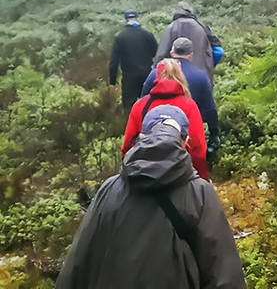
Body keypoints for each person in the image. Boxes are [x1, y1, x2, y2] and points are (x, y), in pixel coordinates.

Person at [55, 105, 246, 289]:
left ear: (142, 137)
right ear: (185, 141)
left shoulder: (109, 189)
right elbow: (223, 276)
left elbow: (78, 264)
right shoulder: (200, 194)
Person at [122, 58, 208, 179]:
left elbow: (128, 145)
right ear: (180, 76)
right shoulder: (189, 105)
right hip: (179, 174)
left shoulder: (141, 105)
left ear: (156, 76)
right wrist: (201, 177)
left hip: (145, 175)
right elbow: (197, 147)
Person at [143, 37, 220, 154]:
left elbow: (143, 104)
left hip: (156, 134)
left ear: (172, 53)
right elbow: (210, 108)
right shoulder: (201, 76)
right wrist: (214, 134)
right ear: (191, 54)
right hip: (189, 135)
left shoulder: (155, 74)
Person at [155, 2, 223, 83]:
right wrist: (210, 65)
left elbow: (161, 54)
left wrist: (155, 72)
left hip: (174, 76)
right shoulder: (202, 27)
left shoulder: (170, 28)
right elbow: (219, 51)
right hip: (200, 76)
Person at [109, 10, 158, 110]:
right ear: (137, 19)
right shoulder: (148, 35)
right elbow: (157, 55)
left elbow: (114, 62)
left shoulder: (120, 36)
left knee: (129, 107)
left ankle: (129, 125)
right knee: (148, 105)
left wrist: (112, 82)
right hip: (146, 76)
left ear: (125, 20)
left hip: (129, 77)